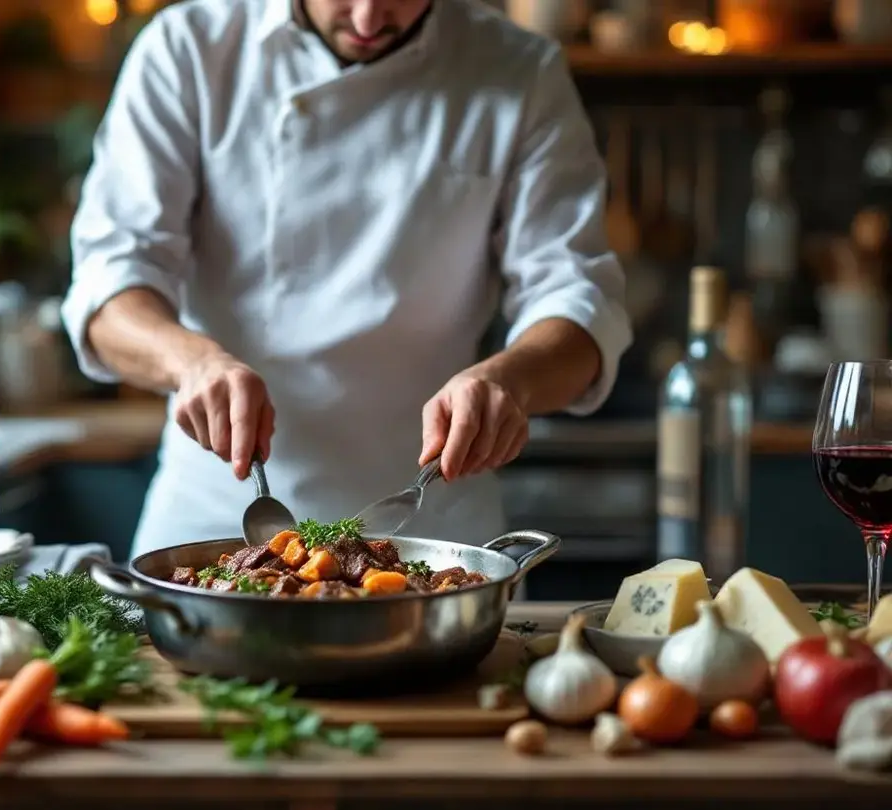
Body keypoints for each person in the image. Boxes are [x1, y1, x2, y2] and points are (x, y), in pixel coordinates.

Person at [62, 0, 632, 557]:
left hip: (434, 532)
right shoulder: (190, 48)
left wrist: (512, 380)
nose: (367, 18)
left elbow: (578, 298)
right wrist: (191, 363)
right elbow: (109, 285)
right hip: (216, 518)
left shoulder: (519, 69)